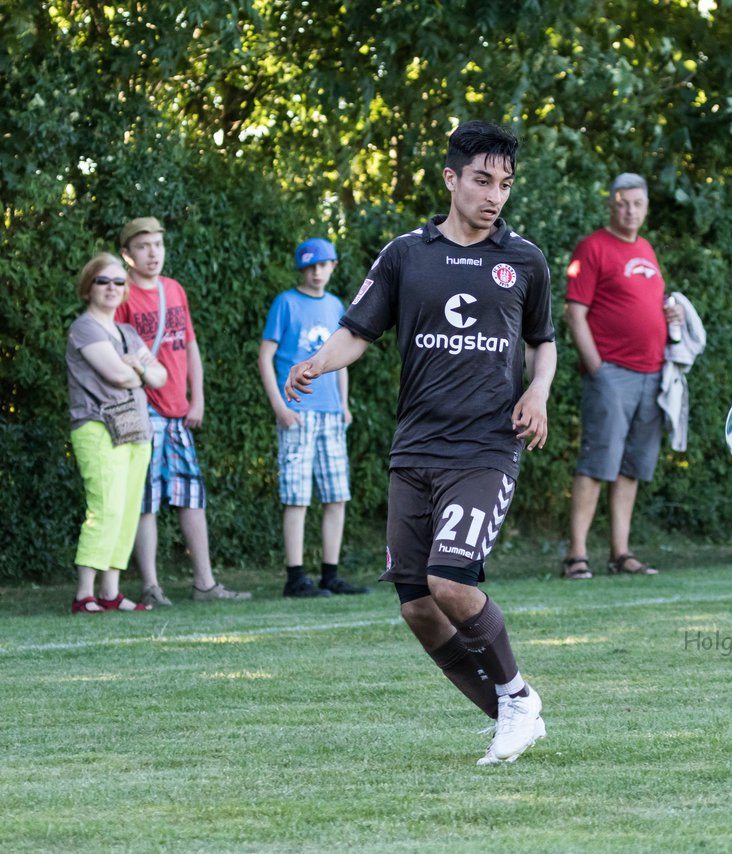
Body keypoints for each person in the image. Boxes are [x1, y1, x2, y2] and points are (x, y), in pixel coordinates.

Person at [284, 120, 556, 765]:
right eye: (483, 180)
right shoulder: (407, 254)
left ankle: (518, 700)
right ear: (451, 179)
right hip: (415, 450)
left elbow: (543, 342)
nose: (495, 195)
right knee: (417, 607)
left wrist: (537, 393)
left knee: (451, 580)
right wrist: (319, 363)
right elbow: (358, 330)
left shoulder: (525, 260)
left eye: (506, 184)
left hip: (486, 447)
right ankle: (509, 715)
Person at [115, 217, 251, 605]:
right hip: (146, 410)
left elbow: (189, 345)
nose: (153, 252)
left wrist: (198, 398)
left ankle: (204, 584)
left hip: (179, 410)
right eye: (143, 246)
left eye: (158, 244)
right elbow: (118, 354)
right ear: (127, 254)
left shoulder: (173, 290)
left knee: (192, 496)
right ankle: (152, 587)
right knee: (148, 500)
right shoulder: (121, 295)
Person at [561, 172, 684, 580]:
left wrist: (672, 316)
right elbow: (574, 313)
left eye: (637, 203)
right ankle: (576, 556)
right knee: (597, 463)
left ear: (646, 207)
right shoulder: (592, 248)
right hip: (611, 373)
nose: (630, 210)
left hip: (653, 375)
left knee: (632, 467)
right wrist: (597, 368)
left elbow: (648, 304)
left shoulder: (646, 249)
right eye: (622, 203)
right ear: (611, 205)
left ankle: (621, 553)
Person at [258, 237, 370, 598]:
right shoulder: (285, 303)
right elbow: (265, 357)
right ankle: (295, 577)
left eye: (322, 265)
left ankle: (330, 574)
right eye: (309, 266)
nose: (316, 272)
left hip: (330, 414)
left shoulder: (337, 304)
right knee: (297, 496)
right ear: (301, 270)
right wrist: (280, 406)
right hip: (298, 413)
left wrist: (344, 404)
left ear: (333, 266)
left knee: (336, 494)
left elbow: (341, 359)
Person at [66, 252, 167, 612]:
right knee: (104, 507)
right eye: (103, 281)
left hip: (135, 430)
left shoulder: (125, 332)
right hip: (96, 427)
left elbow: (163, 377)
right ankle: (84, 594)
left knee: (126, 510)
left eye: (118, 282)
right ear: (88, 286)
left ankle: (110, 592)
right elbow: (119, 375)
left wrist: (135, 365)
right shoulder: (85, 328)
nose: (112, 288)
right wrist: (139, 368)